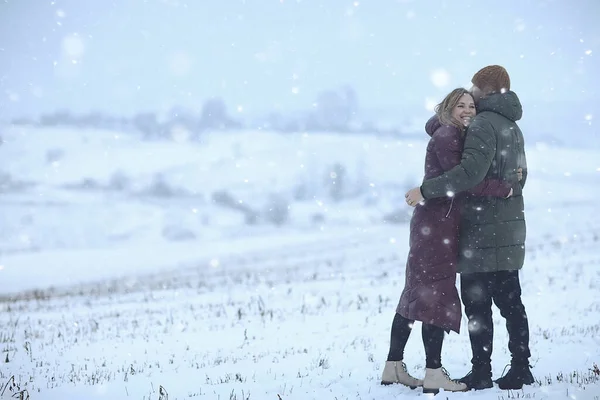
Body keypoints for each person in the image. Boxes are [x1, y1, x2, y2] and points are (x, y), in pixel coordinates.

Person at [381, 88, 519, 395]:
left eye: (471, 105)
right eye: (461, 105)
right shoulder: (449, 136)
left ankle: (393, 366)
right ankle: (433, 372)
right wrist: (503, 188)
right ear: (447, 108)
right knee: (436, 297)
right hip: (438, 227)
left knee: (416, 294)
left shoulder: (450, 133)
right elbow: (465, 180)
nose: (467, 110)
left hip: (433, 224)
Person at [404, 65, 534, 391]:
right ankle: (521, 367)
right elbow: (520, 177)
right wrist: (507, 189)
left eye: (475, 89)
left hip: (482, 229)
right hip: (509, 227)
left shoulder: (482, 124)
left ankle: (481, 372)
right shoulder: (512, 127)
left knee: (478, 304)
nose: (471, 94)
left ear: (484, 90)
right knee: (511, 302)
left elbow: (469, 174)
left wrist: (427, 189)